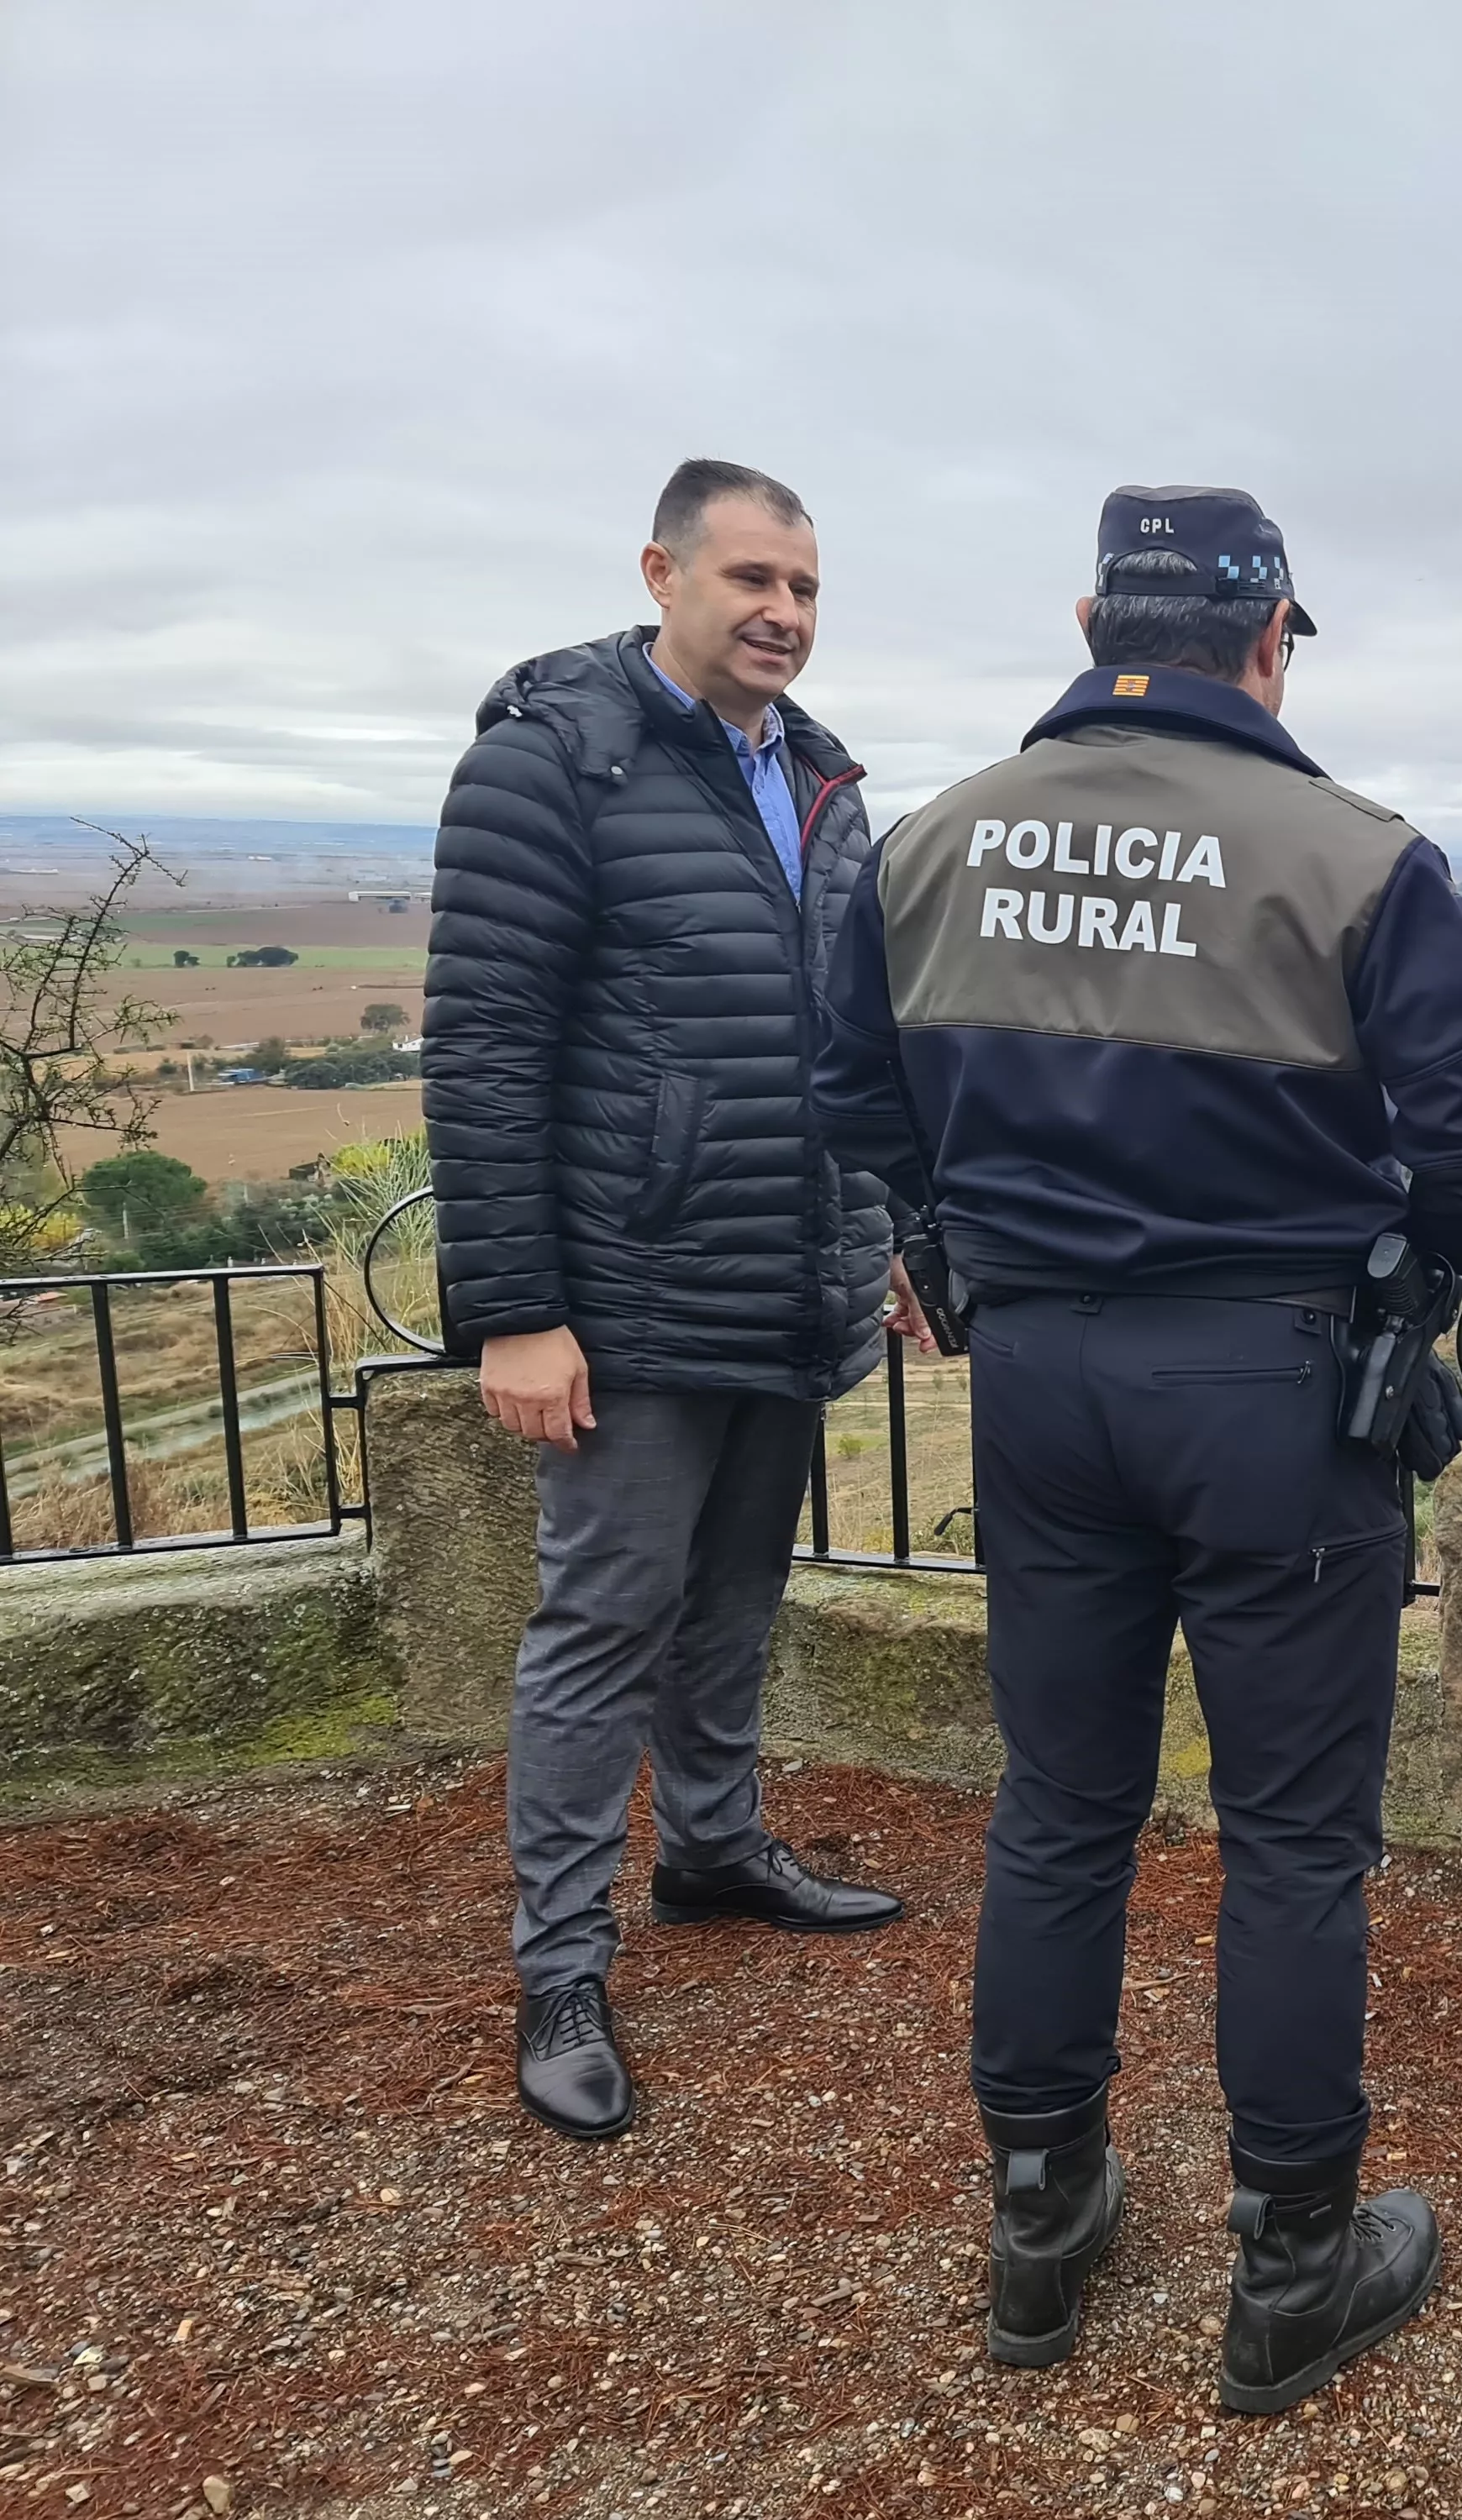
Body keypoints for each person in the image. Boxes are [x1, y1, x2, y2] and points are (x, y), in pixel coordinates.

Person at [814, 486, 1462, 2406]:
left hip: (1043, 1384)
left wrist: (945, 1244)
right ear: (1271, 637)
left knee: (1061, 1808)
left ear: (1087, 620)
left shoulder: (928, 845)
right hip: (1278, 1391)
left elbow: (847, 1085)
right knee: (1293, 1844)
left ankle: (1038, 2228)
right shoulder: (1356, 856)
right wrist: (1412, 1286)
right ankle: (1290, 2265)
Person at [425, 459, 925, 2144]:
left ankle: (712, 1851)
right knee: (599, 1626)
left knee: (731, 1604)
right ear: (662, 573)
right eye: (750, 580)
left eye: (804, 586)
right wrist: (513, 1309)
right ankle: (559, 1965)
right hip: (624, 1292)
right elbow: (485, 1048)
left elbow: (864, 1047)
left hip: (786, 1278)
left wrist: (894, 1238)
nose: (781, 612)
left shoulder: (824, 776)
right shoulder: (553, 758)